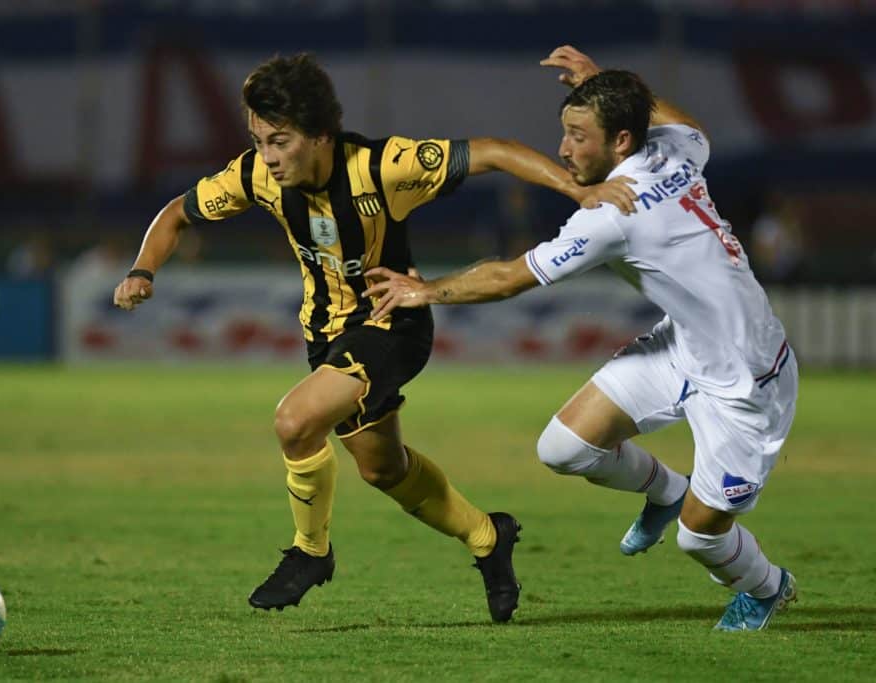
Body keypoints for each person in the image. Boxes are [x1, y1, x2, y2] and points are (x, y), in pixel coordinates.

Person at [113, 53, 635, 622]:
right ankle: (490, 537)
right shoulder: (255, 177)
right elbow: (175, 214)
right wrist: (144, 270)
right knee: (382, 468)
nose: (267, 156)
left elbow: (493, 150)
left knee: (295, 420)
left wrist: (577, 191)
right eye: (259, 140)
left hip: (394, 322)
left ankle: (311, 553)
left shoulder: (383, 166)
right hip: (327, 336)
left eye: (279, 141)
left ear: (319, 136)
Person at [364, 45, 799, 632]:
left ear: (621, 141)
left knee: (699, 540)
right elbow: (687, 125)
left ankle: (767, 586)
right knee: (564, 449)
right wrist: (603, 82)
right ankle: (666, 491)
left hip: (749, 381)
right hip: (683, 347)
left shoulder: (612, 212)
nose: (564, 150)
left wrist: (427, 290)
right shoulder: (675, 149)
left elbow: (511, 277)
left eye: (577, 136)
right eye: (563, 133)